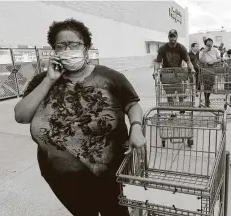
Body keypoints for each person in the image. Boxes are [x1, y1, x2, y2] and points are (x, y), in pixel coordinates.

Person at [14, 18, 146, 216]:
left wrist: (136, 127)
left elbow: (132, 104)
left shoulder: (111, 77)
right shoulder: (42, 80)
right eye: (61, 45)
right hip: (62, 176)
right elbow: (21, 116)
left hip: (110, 172)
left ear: (86, 47)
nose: (68, 49)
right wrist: (50, 80)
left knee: (115, 212)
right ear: (54, 50)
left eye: (74, 44)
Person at [153, 29, 196, 111]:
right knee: (169, 94)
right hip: (166, 73)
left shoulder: (181, 48)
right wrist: (155, 71)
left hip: (178, 73)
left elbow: (188, 61)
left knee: (181, 92)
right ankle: (172, 111)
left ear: (177, 37)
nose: (172, 38)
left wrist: (192, 69)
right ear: (168, 37)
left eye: (174, 37)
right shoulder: (163, 48)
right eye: (171, 36)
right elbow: (158, 62)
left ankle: (181, 107)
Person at [199, 38, 221, 107]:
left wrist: (213, 61)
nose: (210, 44)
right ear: (205, 44)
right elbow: (201, 60)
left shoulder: (215, 50)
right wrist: (204, 52)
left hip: (213, 68)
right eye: (208, 43)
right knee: (206, 85)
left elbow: (219, 59)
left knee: (211, 85)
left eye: (211, 43)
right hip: (205, 68)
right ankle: (206, 99)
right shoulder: (202, 51)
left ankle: (207, 98)